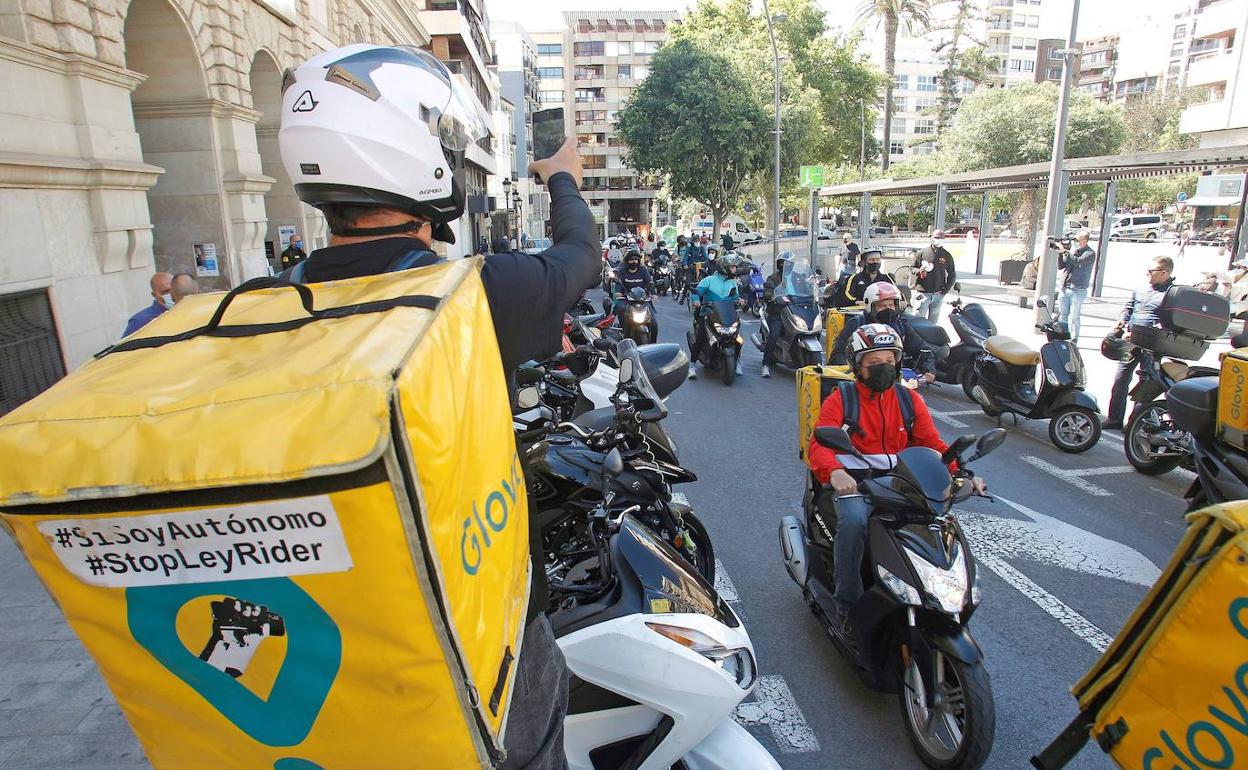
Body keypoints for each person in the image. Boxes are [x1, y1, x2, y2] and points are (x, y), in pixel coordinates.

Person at [279, 45, 600, 769]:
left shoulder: (268, 304)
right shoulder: (469, 295)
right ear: (414, 155)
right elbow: (581, 256)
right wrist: (563, 181)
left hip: (335, 639)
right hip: (483, 636)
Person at [808, 323, 986, 637]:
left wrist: (960, 472)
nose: (883, 368)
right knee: (853, 522)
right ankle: (846, 604)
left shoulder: (908, 400)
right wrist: (834, 472)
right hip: (856, 484)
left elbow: (933, 444)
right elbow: (819, 444)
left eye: (889, 361)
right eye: (874, 363)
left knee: (939, 522)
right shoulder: (842, 399)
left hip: (901, 483)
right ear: (858, 366)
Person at [1105, 256, 1176, 431]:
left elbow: (1171, 322)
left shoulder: (1173, 294)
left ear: (1164, 273)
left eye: (1151, 271)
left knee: (1146, 384)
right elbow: (1129, 307)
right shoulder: (1141, 288)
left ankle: (1133, 424)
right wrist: (1121, 320)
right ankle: (1114, 418)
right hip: (1131, 342)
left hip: (1151, 347)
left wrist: (1150, 332)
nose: (1148, 274)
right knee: (1120, 380)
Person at [832, 282, 936, 382]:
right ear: (871, 306)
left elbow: (922, 349)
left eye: (891, 305)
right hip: (862, 378)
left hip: (894, 380)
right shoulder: (856, 324)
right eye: (882, 306)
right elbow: (839, 352)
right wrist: (850, 373)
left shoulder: (901, 325)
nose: (888, 309)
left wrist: (928, 369)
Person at [689, 253, 744, 379]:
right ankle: (692, 366)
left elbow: (735, 297)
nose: (735, 270)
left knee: (738, 338)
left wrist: (740, 300)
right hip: (709, 314)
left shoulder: (732, 283)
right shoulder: (709, 280)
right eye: (732, 267)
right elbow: (696, 292)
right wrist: (696, 300)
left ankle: (738, 361)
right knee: (701, 338)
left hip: (727, 315)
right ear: (725, 268)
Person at [1057, 231, 1096, 342]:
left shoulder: (1089, 253)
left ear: (1084, 240)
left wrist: (1065, 251)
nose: (1074, 242)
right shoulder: (1073, 252)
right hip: (1065, 287)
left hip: (1078, 289)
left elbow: (1078, 262)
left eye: (1076, 240)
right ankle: (1062, 336)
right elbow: (1061, 266)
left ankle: (1074, 339)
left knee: (1074, 316)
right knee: (1063, 315)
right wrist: (1060, 253)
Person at [912, 231, 956, 321]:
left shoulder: (946, 255)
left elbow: (952, 274)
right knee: (917, 321)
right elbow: (912, 268)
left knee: (933, 323)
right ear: (931, 238)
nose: (939, 240)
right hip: (923, 293)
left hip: (938, 294)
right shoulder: (922, 253)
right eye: (937, 237)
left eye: (942, 238)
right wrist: (919, 271)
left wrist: (945, 291)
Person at [760, 253, 791, 378]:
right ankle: (765, 364)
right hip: (777, 312)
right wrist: (772, 296)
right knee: (774, 334)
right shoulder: (773, 278)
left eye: (787, 263)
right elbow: (768, 292)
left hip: (794, 310)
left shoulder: (798, 277)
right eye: (782, 262)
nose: (785, 265)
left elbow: (805, 288)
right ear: (779, 264)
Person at [123, 272, 174, 337]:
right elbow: (126, 346)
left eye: (174, 289)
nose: (172, 294)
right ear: (155, 295)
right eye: (166, 291)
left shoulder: (184, 310)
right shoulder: (141, 320)